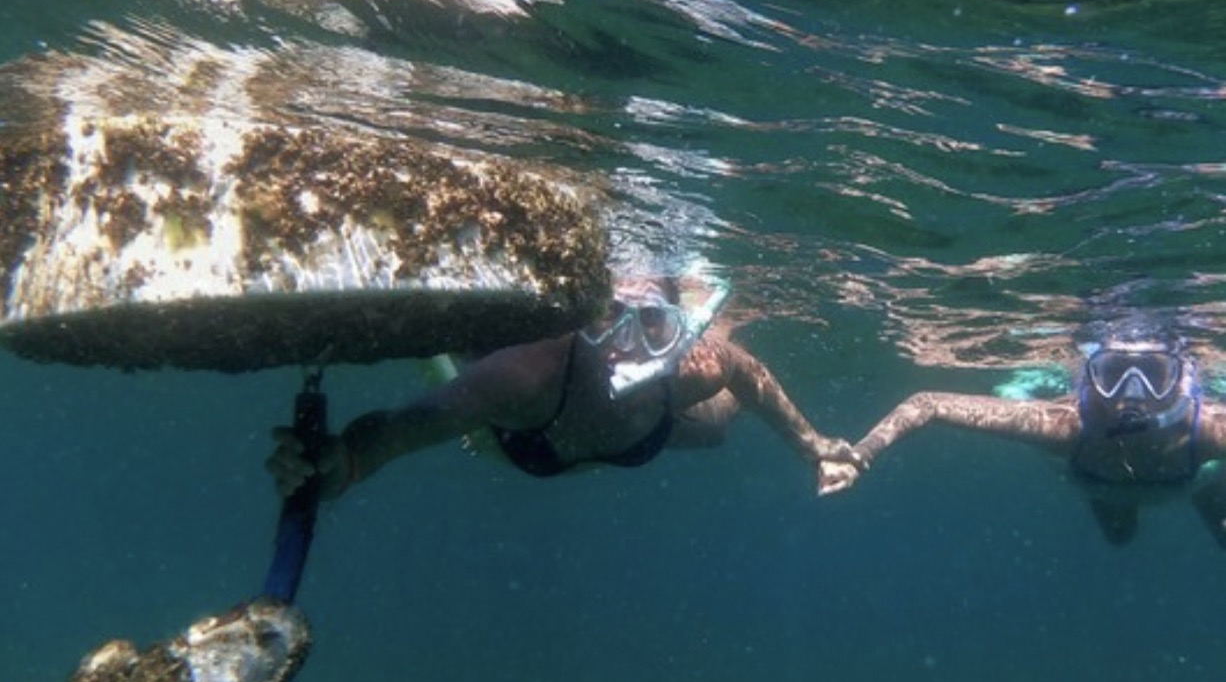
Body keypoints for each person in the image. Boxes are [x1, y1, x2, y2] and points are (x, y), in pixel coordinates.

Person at [268, 275, 862, 500]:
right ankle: (444, 332)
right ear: (585, 318)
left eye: (654, 325)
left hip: (641, 435)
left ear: (678, 326)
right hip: (520, 437)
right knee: (453, 369)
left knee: (717, 432)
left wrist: (813, 445)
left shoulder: (692, 369)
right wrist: (338, 465)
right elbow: (401, 431)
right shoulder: (523, 378)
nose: (631, 350)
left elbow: (748, 377)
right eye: (611, 321)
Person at [821, 318, 1226, 547]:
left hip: (1189, 475)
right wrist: (862, 455)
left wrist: (862, 454)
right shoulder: (1065, 426)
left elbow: (929, 403)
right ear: (1091, 377)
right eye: (1112, 375)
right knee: (1120, 538)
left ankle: (1206, 492)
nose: (1129, 396)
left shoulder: (1208, 429)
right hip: (1097, 483)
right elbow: (929, 402)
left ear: (1183, 382)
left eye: (1155, 376)